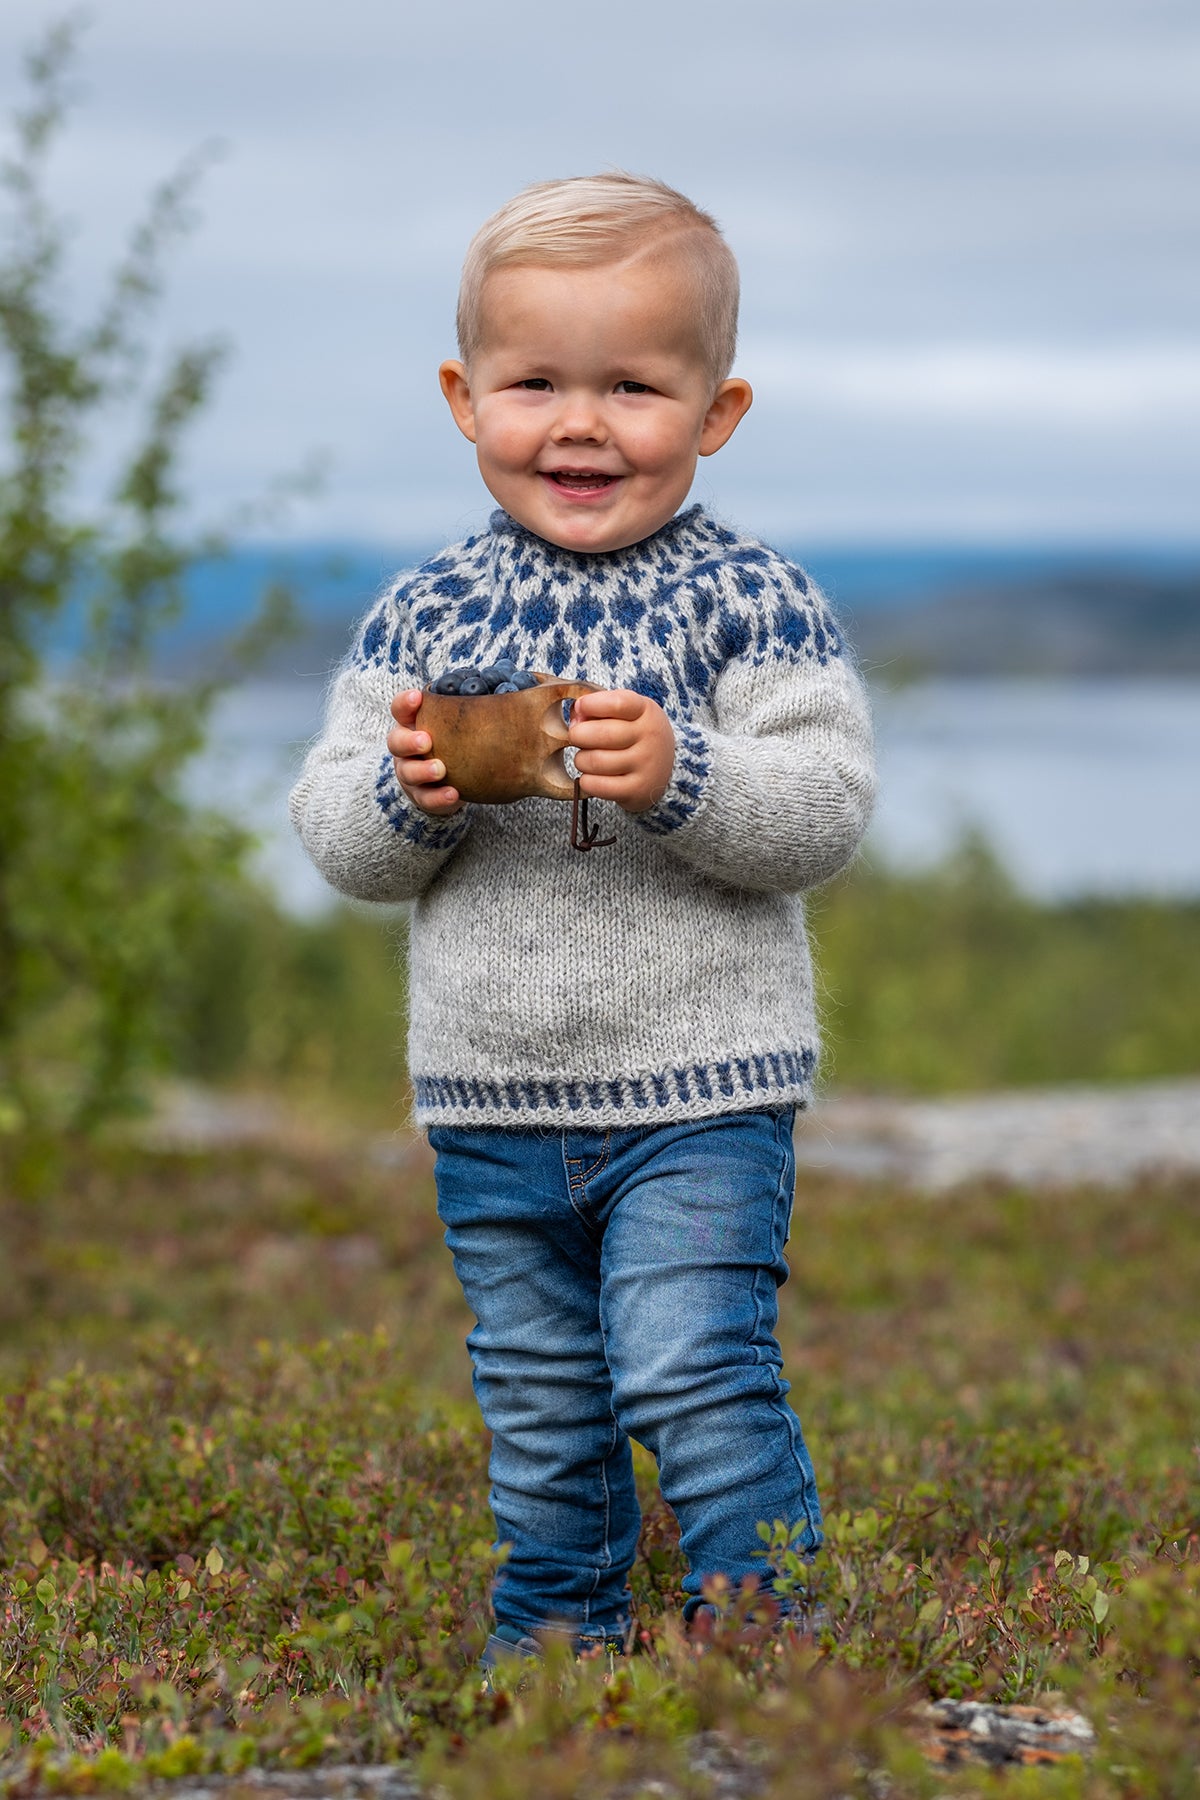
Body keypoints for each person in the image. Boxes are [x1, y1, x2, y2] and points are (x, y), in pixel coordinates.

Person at [289, 173, 876, 1667]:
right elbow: (336, 839)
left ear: (718, 410)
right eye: (535, 381)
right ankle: (555, 1651)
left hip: (701, 1093)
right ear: (463, 396)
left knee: (691, 1372)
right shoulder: (426, 611)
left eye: (634, 386)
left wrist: (688, 777)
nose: (581, 423)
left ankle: (768, 1644)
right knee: (541, 1396)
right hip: (490, 1102)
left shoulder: (752, 598)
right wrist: (405, 794)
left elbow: (822, 808)